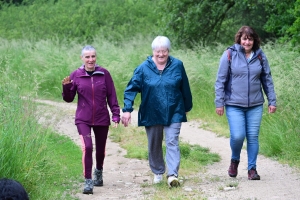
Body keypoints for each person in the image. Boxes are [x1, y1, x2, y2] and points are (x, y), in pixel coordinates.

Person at [121, 36, 193, 187]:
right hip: (151, 110)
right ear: (153, 51)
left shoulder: (177, 65)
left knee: (172, 141)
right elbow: (131, 89)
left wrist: (186, 107)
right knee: (154, 143)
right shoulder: (143, 68)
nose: (161, 55)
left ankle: (172, 175)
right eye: (158, 52)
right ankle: (158, 171)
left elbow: (185, 87)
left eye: (164, 51)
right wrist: (127, 110)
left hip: (174, 110)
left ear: (168, 51)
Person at [214, 26, 277, 180]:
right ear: (239, 39)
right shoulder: (229, 54)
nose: (247, 42)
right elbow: (220, 80)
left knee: (253, 137)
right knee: (237, 136)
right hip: (234, 104)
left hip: (255, 105)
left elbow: (267, 79)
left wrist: (272, 100)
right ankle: (235, 160)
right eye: (244, 39)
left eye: (250, 39)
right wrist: (219, 102)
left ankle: (252, 169)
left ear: (254, 40)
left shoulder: (260, 56)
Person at [62, 45, 120, 194]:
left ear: (96, 57)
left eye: (93, 56)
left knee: (100, 150)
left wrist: (115, 114)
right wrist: (66, 88)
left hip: (101, 117)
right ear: (82, 58)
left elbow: (112, 95)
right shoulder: (76, 74)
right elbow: (69, 99)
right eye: (87, 57)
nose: (90, 59)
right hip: (83, 119)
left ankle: (98, 172)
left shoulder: (104, 74)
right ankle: (88, 181)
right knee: (87, 147)